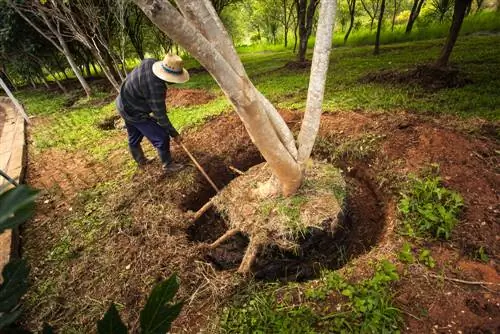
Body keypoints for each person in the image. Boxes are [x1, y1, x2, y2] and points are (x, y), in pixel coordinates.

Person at [115, 54, 190, 173]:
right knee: (161, 137)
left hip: (122, 101)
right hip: (133, 110)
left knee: (134, 136)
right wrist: (174, 134)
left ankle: (141, 161)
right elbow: (160, 115)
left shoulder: (151, 62)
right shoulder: (156, 86)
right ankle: (168, 165)